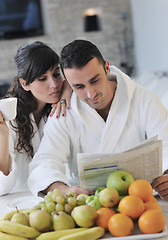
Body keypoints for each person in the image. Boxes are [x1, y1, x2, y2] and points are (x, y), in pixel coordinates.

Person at [28, 39, 168, 200]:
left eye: (95, 81)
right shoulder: (64, 112)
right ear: (68, 84)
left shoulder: (144, 100)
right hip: (89, 207)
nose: (91, 94)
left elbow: (166, 144)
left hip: (141, 201)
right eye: (79, 87)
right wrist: (63, 189)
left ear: (107, 68)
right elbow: (44, 162)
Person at [0, 41, 72, 196]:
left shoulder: (61, 106)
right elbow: (1, 187)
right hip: (18, 203)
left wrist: (67, 92)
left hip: (54, 197)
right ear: (25, 84)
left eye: (56, 74)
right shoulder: (10, 117)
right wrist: (3, 135)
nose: (54, 84)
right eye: (42, 78)